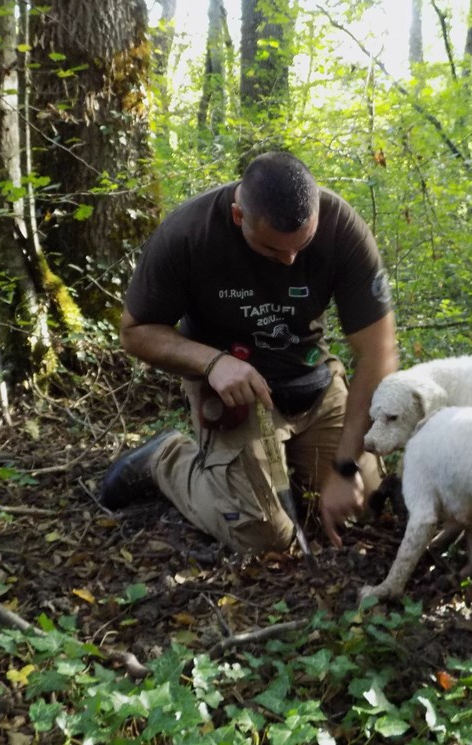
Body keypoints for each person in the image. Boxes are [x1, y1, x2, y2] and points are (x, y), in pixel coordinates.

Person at [98, 151, 398, 553]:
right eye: (274, 251)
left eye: (302, 245)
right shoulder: (189, 234)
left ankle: (285, 461)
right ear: (240, 217)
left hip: (311, 380)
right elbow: (135, 333)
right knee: (263, 537)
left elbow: (378, 354)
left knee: (367, 502)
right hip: (234, 393)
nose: (290, 260)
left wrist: (345, 467)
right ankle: (167, 459)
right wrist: (212, 363)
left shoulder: (342, 227)